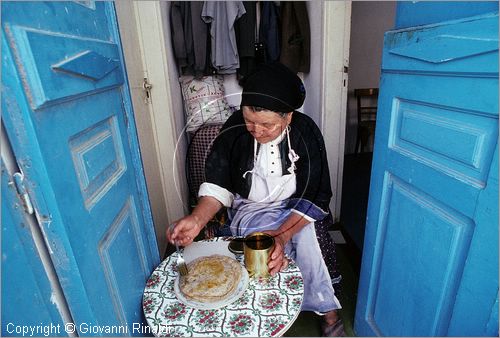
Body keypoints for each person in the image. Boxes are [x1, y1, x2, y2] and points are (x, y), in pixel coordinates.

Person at [167, 62, 345, 336]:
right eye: (249, 119)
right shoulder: (234, 128)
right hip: (250, 208)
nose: (255, 130)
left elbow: (314, 194)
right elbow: (218, 184)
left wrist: (282, 234)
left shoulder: (306, 132)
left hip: (297, 209)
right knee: (252, 252)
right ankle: (257, 312)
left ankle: (327, 311)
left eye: (266, 124)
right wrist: (197, 218)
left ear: (287, 117)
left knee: (311, 240)